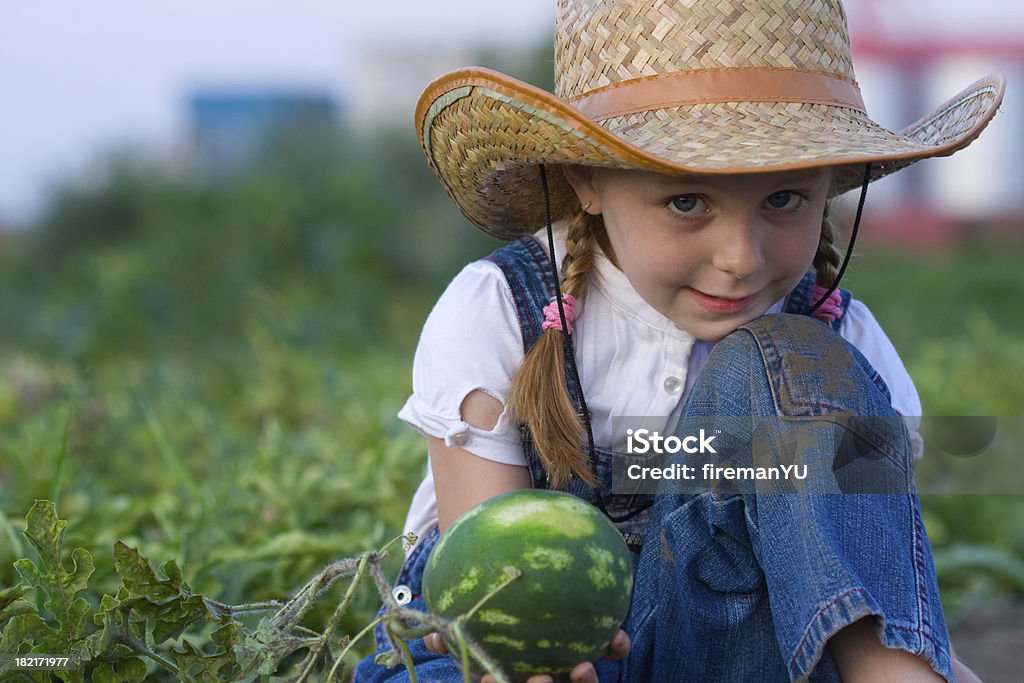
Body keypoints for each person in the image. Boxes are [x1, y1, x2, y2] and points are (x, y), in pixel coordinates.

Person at [355, 0, 1004, 681]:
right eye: (688, 202)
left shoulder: (843, 348)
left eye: (783, 199)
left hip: (721, 648)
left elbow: (874, 588)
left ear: (831, 188)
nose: (741, 258)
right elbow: (487, 590)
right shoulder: (498, 310)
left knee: (794, 362)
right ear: (588, 180)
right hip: (516, 649)